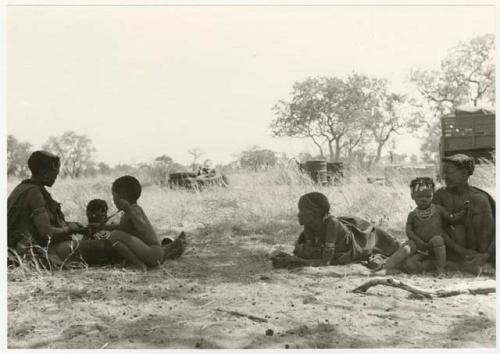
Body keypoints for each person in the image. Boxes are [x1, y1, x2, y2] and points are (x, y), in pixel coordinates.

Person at [7, 151, 120, 267]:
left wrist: (77, 228)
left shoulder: (23, 188)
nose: (56, 175)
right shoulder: (33, 193)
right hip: (39, 251)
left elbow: (43, 224)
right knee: (106, 246)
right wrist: (69, 229)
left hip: (27, 248)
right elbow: (47, 234)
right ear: (44, 172)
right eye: (55, 172)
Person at [271, 192, 401, 268]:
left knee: (394, 248)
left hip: (363, 238)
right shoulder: (309, 225)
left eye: (302, 211)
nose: (298, 214)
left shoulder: (331, 224)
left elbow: (325, 262)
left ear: (315, 213)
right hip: (338, 248)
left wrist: (296, 260)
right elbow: (309, 252)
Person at [374, 177, 469, 275]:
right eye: (419, 197)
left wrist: (463, 211)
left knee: (438, 239)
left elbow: (451, 218)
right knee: (409, 253)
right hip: (418, 248)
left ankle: (441, 269)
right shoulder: (413, 215)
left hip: (434, 248)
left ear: (433, 195)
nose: (424, 200)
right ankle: (386, 268)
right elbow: (409, 231)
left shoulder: (438, 209)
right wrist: (417, 241)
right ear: (412, 196)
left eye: (428, 196)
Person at [428, 154, 495, 274]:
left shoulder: (481, 196)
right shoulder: (440, 196)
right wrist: (462, 251)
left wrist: (487, 254)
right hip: (452, 249)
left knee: (479, 200)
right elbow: (435, 228)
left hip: (477, 250)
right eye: (444, 172)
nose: (445, 177)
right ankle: (460, 264)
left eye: (449, 172)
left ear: (464, 174)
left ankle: (482, 260)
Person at [107, 175, 185, 270]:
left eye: (114, 195)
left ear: (122, 197)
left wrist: (129, 211)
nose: (113, 200)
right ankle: (170, 248)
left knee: (114, 236)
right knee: (116, 233)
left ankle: (138, 264)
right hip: (154, 252)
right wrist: (103, 227)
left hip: (152, 253)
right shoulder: (132, 211)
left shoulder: (134, 210)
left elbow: (142, 228)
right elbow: (122, 228)